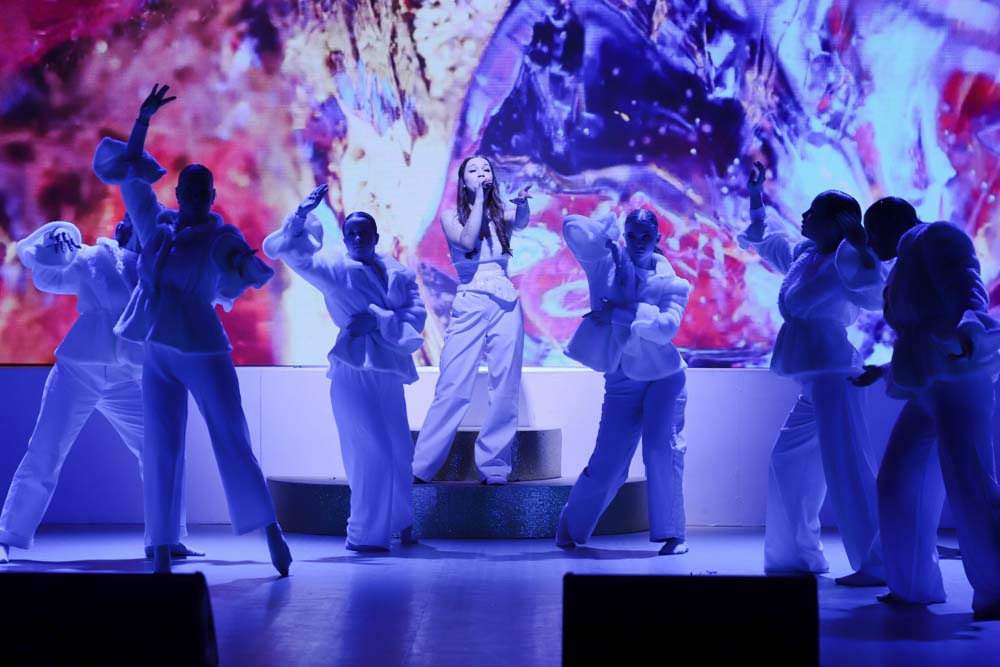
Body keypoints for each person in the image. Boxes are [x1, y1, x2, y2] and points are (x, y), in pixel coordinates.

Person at [93, 84, 290, 575]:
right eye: (190, 191)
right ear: (179, 195)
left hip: (203, 348)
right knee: (161, 446)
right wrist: (142, 121)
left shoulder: (219, 233)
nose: (198, 197)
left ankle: (270, 529)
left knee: (231, 436)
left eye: (205, 191)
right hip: (158, 350)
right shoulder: (158, 229)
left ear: (212, 196)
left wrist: (243, 264)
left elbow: (236, 258)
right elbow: (131, 175)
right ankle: (161, 546)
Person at [0, 219, 197, 563]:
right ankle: (8, 534)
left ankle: (167, 538)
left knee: (161, 449)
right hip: (79, 368)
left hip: (127, 376)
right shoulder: (94, 257)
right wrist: (54, 242)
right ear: (127, 228)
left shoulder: (157, 273)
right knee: (46, 448)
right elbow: (47, 277)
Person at [740, 161, 885, 585]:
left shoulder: (847, 259)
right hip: (815, 377)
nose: (804, 216)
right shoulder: (807, 254)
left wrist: (860, 246)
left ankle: (877, 563)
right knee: (787, 460)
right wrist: (756, 196)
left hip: (834, 373)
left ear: (837, 223)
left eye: (814, 212)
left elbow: (874, 293)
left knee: (848, 467)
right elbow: (766, 240)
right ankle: (798, 556)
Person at [855, 198, 1000, 619]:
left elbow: (968, 290)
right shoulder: (906, 256)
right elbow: (921, 331)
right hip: (930, 383)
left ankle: (995, 590)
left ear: (891, 222)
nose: (869, 242)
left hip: (957, 377)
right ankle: (912, 586)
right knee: (898, 480)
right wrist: (887, 371)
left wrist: (970, 328)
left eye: (871, 231)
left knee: (971, 484)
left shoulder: (938, 235)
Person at [263, 187, 427, 551]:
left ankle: (400, 522)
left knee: (400, 450)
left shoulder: (399, 275)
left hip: (387, 370)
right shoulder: (335, 270)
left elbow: (416, 315)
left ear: (376, 237)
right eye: (350, 233)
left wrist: (379, 320)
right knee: (371, 451)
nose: (356, 238)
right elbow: (293, 254)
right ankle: (364, 534)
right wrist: (300, 216)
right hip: (352, 368)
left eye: (363, 233)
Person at [555, 208, 691, 554]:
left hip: (665, 376)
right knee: (609, 460)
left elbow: (665, 329)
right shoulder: (606, 265)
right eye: (632, 235)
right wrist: (606, 229)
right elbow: (572, 226)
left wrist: (616, 314)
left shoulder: (674, 284)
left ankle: (673, 534)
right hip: (621, 377)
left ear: (658, 238)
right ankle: (572, 524)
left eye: (646, 236)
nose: (638, 242)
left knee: (661, 449)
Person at [411, 156, 531, 485]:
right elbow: (467, 240)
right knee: (453, 385)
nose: (481, 174)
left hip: (505, 300)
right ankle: (422, 466)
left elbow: (520, 221)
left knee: (504, 386)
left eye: (486, 169)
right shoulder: (451, 216)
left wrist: (522, 204)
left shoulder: (502, 213)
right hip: (470, 299)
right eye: (474, 170)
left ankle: (494, 466)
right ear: (463, 180)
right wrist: (479, 199)